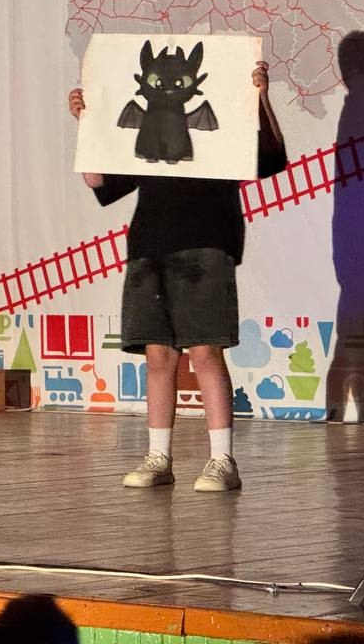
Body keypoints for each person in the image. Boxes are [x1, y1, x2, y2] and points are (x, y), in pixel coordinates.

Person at [68, 58, 286, 491]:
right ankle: (158, 457)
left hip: (207, 242)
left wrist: (260, 97)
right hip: (150, 245)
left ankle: (222, 459)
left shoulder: (218, 124)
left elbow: (271, 157)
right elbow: (100, 180)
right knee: (158, 355)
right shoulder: (148, 128)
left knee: (206, 351)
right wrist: (86, 121)